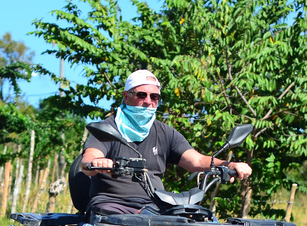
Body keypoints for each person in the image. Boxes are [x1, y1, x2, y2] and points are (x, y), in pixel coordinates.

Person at [81, 69, 252, 215]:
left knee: (200, 223)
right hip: (113, 207)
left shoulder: (164, 132)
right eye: (141, 95)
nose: (148, 101)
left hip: (155, 208)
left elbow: (196, 161)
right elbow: (89, 159)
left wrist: (228, 165)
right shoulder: (108, 128)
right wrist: (97, 162)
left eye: (154, 96)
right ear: (126, 96)